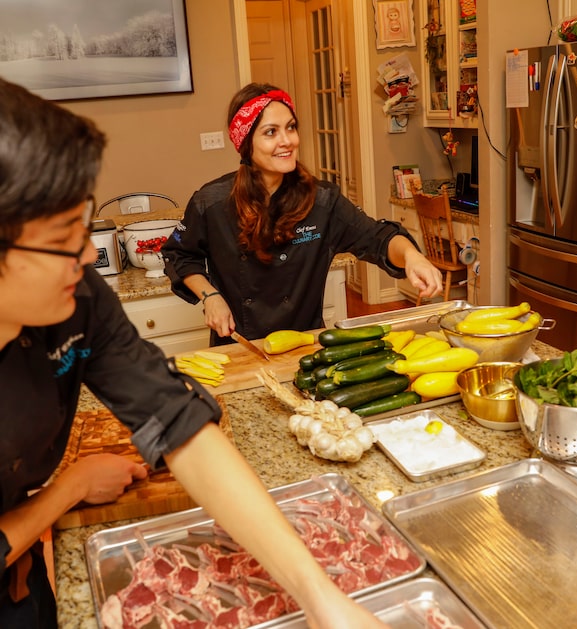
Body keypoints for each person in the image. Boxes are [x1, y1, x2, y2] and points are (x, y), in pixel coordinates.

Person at [0, 78, 387, 628]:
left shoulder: (79, 296)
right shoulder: (211, 203)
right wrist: (67, 490)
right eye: (64, 235)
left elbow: (176, 418)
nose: (88, 253)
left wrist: (321, 597)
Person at [163, 83, 442, 346]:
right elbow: (180, 255)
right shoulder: (211, 202)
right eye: (271, 132)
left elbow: (378, 238)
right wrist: (210, 296)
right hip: (239, 346)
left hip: (304, 345)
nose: (287, 141)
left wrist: (411, 256)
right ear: (246, 143)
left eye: (291, 127)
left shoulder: (322, 200)